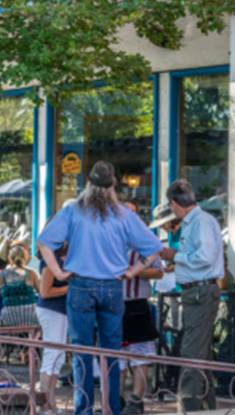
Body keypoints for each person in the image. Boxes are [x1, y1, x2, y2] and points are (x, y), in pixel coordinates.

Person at [37, 161, 163, 415]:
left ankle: (83, 410)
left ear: (89, 185)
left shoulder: (73, 210)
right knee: (111, 351)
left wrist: (59, 272)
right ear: (112, 186)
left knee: (82, 350)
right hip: (113, 287)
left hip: (81, 284)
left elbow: (44, 242)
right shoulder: (124, 214)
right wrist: (132, 271)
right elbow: (153, 248)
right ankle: (111, 409)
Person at [158, 179, 224, 412]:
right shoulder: (196, 221)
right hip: (196, 291)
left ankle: (190, 407)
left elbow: (204, 257)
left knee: (191, 354)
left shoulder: (200, 222)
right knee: (200, 353)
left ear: (174, 204)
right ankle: (206, 407)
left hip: (200, 292)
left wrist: (174, 256)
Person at [119, 201, 164, 415]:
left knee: (140, 355)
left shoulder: (145, 242)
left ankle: (136, 401)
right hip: (113, 302)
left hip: (136, 302)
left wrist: (134, 270)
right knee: (115, 354)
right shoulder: (110, 239)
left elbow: (158, 272)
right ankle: (115, 398)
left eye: (132, 213)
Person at [36, 235, 69, 415]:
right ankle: (44, 405)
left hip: (61, 311)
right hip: (51, 310)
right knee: (52, 355)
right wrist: (70, 287)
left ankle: (51, 403)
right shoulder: (50, 259)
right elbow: (45, 292)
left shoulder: (65, 257)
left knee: (58, 357)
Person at [0, 243, 40, 327]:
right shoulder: (31, 273)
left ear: (9, 259)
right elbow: (41, 291)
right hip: (30, 319)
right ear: (25, 258)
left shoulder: (0, 274)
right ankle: (31, 339)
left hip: (8, 319)